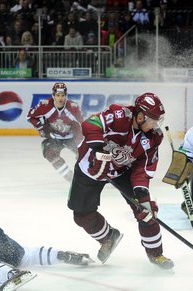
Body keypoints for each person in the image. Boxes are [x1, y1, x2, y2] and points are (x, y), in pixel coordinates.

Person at [67, 92, 174, 270]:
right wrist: (99, 150)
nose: (156, 124)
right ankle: (108, 237)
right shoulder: (119, 115)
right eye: (153, 120)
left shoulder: (154, 137)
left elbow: (142, 169)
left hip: (122, 171)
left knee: (146, 210)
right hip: (91, 167)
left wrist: (142, 194)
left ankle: (156, 254)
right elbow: (90, 124)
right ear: (140, 116)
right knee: (81, 215)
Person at [26, 82, 84, 181]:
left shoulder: (73, 108)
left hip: (71, 138)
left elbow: (82, 124)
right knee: (50, 153)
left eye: (63, 95)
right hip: (55, 138)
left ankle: (89, 176)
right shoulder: (45, 105)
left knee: (84, 155)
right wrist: (41, 127)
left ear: (66, 96)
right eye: (58, 95)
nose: (60, 98)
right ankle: (70, 178)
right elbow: (30, 117)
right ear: (53, 96)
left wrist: (81, 142)